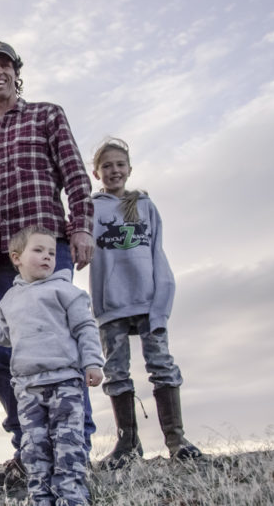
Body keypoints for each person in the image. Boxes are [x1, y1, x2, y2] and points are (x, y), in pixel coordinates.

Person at [0, 40, 96, 480]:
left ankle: (77, 445)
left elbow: (76, 174)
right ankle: (30, 443)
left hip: (48, 246)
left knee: (59, 344)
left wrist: (81, 227)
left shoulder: (47, 114)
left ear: (16, 72)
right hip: (3, 258)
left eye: (4, 65)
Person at [0, 225, 104, 506]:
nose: (47, 257)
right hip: (27, 389)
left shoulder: (66, 291)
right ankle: (40, 497)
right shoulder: (8, 301)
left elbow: (85, 327)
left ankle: (71, 497)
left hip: (64, 384)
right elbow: (4, 336)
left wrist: (92, 362)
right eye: (38, 250)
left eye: (51, 252)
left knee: (68, 447)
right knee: (34, 449)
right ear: (16, 258)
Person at [89, 137, 203, 467]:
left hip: (148, 301)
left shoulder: (145, 206)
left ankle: (176, 440)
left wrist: (162, 304)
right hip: (112, 307)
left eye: (119, 164)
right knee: (116, 371)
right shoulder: (93, 209)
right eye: (106, 166)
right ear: (97, 173)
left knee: (162, 365)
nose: (114, 170)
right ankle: (127, 444)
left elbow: (158, 253)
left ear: (129, 169)